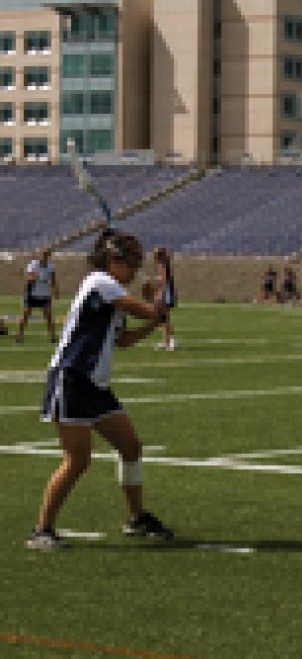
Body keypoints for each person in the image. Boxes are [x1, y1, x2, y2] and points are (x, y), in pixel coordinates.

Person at [28, 229, 175, 550]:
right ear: (112, 260)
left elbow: (123, 339)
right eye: (131, 264)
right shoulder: (99, 282)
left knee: (131, 447)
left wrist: (154, 318)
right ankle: (42, 530)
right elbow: (149, 309)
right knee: (77, 460)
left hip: (95, 384)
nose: (135, 271)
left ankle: (136, 518)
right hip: (72, 378)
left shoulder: (111, 292)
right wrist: (162, 279)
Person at [18, 249, 59, 343]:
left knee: (48, 315)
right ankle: (20, 336)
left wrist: (55, 291)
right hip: (32, 294)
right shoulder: (33, 265)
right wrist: (33, 277)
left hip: (45, 294)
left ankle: (53, 336)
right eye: (42, 254)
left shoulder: (51, 266)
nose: (43, 257)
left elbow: (53, 280)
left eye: (46, 255)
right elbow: (29, 278)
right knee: (25, 315)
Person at [151, 247, 177, 350]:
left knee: (164, 318)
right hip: (167, 292)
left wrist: (159, 293)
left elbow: (164, 280)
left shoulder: (162, 265)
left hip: (166, 293)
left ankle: (170, 341)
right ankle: (166, 341)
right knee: (163, 318)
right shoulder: (164, 264)